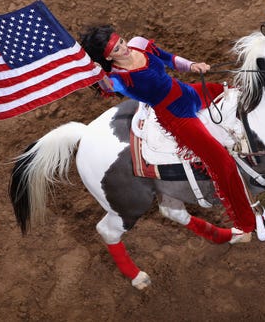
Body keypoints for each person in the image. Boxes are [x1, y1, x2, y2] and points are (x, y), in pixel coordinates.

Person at [79, 25, 256, 236]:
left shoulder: (139, 44)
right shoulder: (118, 79)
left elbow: (169, 59)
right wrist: (95, 71)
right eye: (116, 50)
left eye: (121, 42)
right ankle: (245, 223)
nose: (124, 48)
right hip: (176, 117)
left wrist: (192, 66)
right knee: (222, 163)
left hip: (188, 93)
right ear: (107, 58)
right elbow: (106, 86)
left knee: (236, 94)